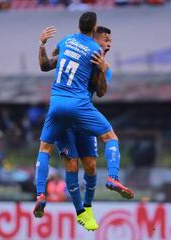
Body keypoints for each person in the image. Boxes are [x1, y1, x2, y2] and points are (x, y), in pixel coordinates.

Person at [34, 11, 134, 231]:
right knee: (72, 163)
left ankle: (87, 209)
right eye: (104, 37)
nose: (108, 41)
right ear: (93, 36)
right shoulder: (81, 48)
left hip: (79, 115)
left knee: (89, 166)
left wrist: (100, 69)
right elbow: (51, 64)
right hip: (74, 112)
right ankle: (80, 210)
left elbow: (100, 92)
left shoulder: (103, 65)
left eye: (110, 39)